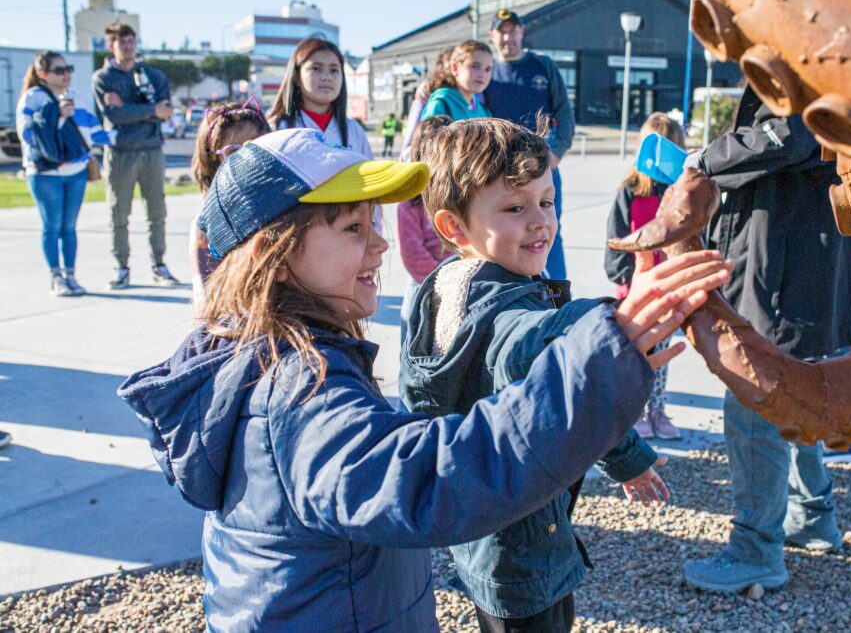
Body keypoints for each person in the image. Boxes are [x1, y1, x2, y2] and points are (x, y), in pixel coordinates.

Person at [117, 127, 712, 632]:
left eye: (373, 223)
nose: (381, 243)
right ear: (274, 251)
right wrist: (603, 344)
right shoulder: (295, 389)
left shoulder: (262, 351)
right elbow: (419, 482)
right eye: (353, 229)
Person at [400, 116, 732, 632]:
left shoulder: (440, 288)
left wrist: (625, 458)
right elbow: (537, 349)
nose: (540, 222)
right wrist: (610, 328)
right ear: (454, 227)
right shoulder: (505, 307)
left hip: (483, 527)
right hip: (524, 535)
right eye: (514, 208)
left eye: (547, 202)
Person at [681, 86, 851, 593]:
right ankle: (812, 516)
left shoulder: (798, 58)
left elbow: (787, 135)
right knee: (798, 394)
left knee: (754, 400)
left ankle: (756, 549)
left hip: (783, 267)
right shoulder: (828, 53)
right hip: (803, 260)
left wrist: (704, 158)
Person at [606, 112, 687, 440]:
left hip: (668, 284)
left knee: (662, 352)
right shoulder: (629, 191)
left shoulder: (681, 192)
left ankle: (658, 409)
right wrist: (624, 276)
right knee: (636, 351)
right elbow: (615, 237)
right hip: (635, 288)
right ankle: (635, 410)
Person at [486, 10, 574, 280]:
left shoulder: (543, 66)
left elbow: (566, 115)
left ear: (522, 32)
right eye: (501, 31)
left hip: (540, 169)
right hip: (500, 172)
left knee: (547, 232)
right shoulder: (487, 71)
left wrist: (555, 155)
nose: (507, 36)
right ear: (492, 36)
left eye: (512, 30)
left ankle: (557, 298)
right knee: (502, 235)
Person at [17, 51, 113, 296]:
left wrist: (121, 136)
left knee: (69, 227)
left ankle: (71, 274)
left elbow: (92, 130)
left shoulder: (75, 98)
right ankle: (56, 277)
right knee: (52, 226)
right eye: (59, 70)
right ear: (43, 74)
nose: (66, 74)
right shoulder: (33, 98)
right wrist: (56, 115)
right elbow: (27, 135)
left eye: (68, 69)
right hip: (45, 172)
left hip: (76, 170)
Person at [92, 23, 179, 290]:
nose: (127, 46)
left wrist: (133, 108)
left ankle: (159, 265)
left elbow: (165, 111)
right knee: (119, 212)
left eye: (131, 41)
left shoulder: (152, 75)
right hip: (120, 154)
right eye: (122, 42)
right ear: (112, 46)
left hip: (152, 150)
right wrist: (149, 110)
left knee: (156, 211)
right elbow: (113, 116)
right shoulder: (103, 78)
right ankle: (122, 267)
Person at [187, 96, 271, 305]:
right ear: (212, 159)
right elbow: (207, 303)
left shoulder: (283, 205)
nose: (246, 157)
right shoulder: (206, 227)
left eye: (254, 146)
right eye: (233, 151)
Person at [268, 37, 372, 158]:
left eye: (334, 70)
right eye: (316, 68)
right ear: (296, 76)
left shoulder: (354, 130)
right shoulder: (276, 128)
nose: (326, 77)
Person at [396, 130, 446, 345]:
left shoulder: (460, 197)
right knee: (414, 342)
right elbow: (412, 252)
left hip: (461, 284)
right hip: (424, 284)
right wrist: (440, 281)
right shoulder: (411, 203)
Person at [399, 47, 452, 160]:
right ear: (441, 67)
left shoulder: (474, 96)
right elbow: (411, 141)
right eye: (450, 65)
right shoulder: (427, 94)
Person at [420, 39, 492, 121]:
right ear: (454, 68)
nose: (482, 74)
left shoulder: (484, 111)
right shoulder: (441, 104)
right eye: (475, 66)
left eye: (488, 69)